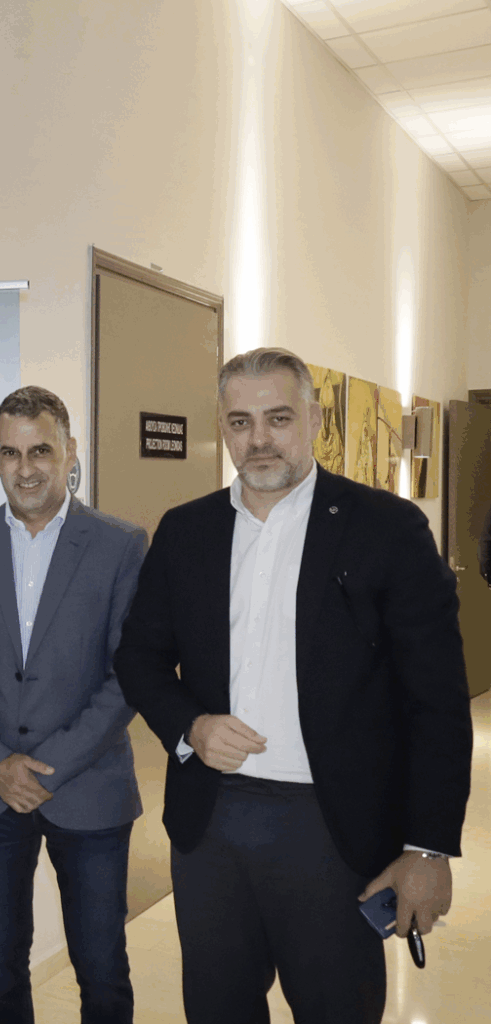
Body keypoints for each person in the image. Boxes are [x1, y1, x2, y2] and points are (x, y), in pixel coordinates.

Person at [114, 348, 473, 1024]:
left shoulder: (387, 529)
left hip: (332, 828)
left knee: (337, 1009)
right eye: (240, 422)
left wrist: (428, 847)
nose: (259, 439)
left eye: (278, 418)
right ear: (223, 428)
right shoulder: (187, 531)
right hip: (210, 824)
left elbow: (437, 702)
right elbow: (139, 657)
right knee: (217, 1009)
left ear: (313, 419)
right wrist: (191, 725)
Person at [0, 386, 148, 1023]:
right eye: (10, 452)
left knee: (101, 968)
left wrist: (48, 767)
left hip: (89, 788)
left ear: (70, 451)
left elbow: (129, 676)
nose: (25, 468)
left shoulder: (120, 544)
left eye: (40, 451)